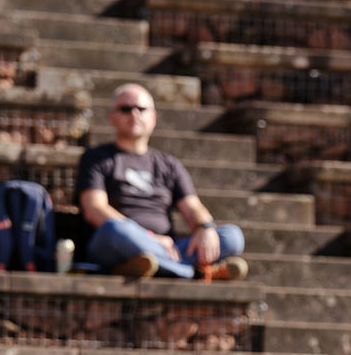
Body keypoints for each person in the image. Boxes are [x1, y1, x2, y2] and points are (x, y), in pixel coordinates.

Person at [77, 83, 248, 280]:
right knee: (114, 229)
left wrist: (204, 228)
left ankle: (149, 266)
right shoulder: (96, 158)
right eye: (125, 109)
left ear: (153, 117)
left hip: (168, 248)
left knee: (232, 236)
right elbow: (95, 210)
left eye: (141, 109)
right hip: (117, 242)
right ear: (112, 117)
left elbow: (192, 206)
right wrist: (149, 237)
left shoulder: (169, 165)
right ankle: (192, 272)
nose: (134, 114)